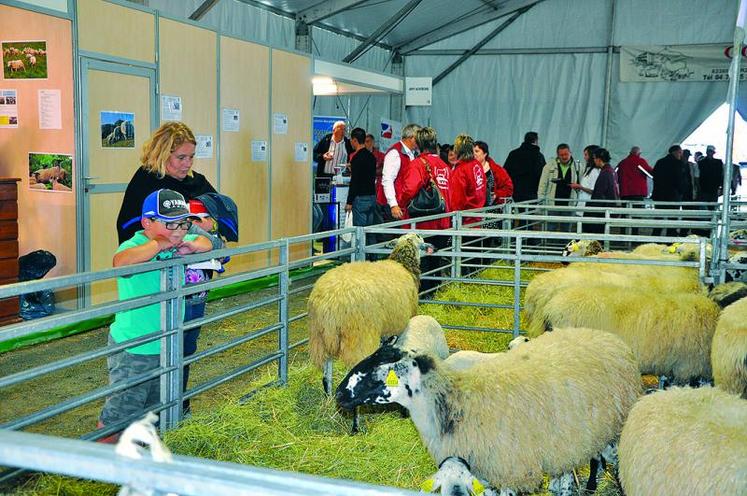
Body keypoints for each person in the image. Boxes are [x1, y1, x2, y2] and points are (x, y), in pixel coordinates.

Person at [98, 189, 212, 442]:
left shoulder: (181, 239)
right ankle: (99, 464)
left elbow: (209, 243)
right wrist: (159, 244)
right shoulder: (135, 245)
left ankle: (136, 456)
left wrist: (193, 244)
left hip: (167, 343)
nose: (178, 230)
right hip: (136, 346)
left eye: (183, 223)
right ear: (147, 222)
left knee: (154, 409)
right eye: (169, 223)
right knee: (120, 412)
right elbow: (121, 263)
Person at [116, 122, 219, 245]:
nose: (188, 164)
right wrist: (188, 227)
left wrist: (211, 224)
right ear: (162, 155)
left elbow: (224, 213)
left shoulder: (197, 181)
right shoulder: (146, 182)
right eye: (181, 158)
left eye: (191, 157)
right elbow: (132, 226)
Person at [396, 127, 452, 293]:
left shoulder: (418, 164)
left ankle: (424, 299)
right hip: (443, 223)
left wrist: (400, 203)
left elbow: (409, 189)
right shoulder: (444, 165)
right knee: (435, 264)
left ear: (418, 144)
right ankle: (433, 296)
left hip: (423, 225)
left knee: (421, 266)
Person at [376, 123, 421, 221]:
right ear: (411, 138)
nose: (420, 141)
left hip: (403, 205)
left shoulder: (413, 154)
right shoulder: (395, 153)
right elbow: (387, 180)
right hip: (392, 206)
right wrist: (393, 205)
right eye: (418, 138)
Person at [537, 143, 577, 231]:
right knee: (550, 228)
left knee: (567, 230)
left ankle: (566, 245)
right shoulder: (549, 166)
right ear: (557, 155)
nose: (564, 157)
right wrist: (541, 201)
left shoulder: (577, 167)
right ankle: (549, 244)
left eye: (566, 154)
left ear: (571, 153)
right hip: (552, 203)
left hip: (569, 204)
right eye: (561, 155)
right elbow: (542, 185)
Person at [450, 134, 487, 227]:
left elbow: (458, 199)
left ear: (457, 150)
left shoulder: (460, 170)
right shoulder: (477, 165)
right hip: (478, 215)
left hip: (464, 220)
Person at [345, 127, 377, 228]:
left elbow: (355, 181)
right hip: (372, 196)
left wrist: (349, 202)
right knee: (370, 230)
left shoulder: (356, 158)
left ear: (355, 140)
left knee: (360, 232)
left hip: (360, 198)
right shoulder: (371, 156)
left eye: (351, 140)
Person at [652, 145, 685, 237]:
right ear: (675, 152)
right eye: (680, 152)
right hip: (673, 195)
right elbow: (679, 180)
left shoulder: (660, 162)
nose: (681, 155)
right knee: (672, 219)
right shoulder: (678, 163)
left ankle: (655, 238)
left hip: (659, 195)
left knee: (658, 219)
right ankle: (670, 239)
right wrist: (681, 191)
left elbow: (654, 176)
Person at [583, 148, 619, 234]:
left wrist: (591, 209)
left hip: (601, 209)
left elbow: (599, 193)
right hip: (609, 206)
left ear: (599, 159)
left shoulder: (605, 173)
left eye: (595, 158)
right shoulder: (611, 171)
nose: (594, 160)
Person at [503, 131, 546, 203]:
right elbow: (542, 174)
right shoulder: (538, 156)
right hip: (533, 192)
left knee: (517, 212)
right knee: (530, 213)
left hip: (516, 193)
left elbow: (505, 172)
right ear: (535, 141)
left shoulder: (513, 154)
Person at [474, 141, 513, 206]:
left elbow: (509, 188)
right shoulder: (469, 169)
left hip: (492, 208)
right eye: (472, 152)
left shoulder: (496, 170)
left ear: (485, 154)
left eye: (477, 151)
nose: (474, 154)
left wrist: (496, 195)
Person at [570, 144, 600, 212]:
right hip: (582, 205)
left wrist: (580, 187)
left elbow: (594, 191)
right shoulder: (588, 170)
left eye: (586, 155)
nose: (584, 157)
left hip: (587, 206)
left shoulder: (595, 172)